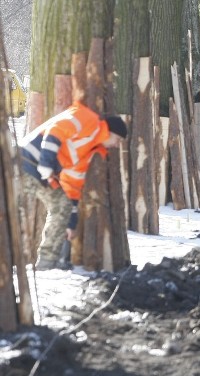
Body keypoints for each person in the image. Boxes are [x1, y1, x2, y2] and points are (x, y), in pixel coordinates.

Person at [19, 100, 128, 269]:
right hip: (25, 162)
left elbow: (72, 185)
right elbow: (55, 131)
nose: (117, 145)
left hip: (40, 172)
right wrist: (46, 164)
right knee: (15, 212)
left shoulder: (90, 149)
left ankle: (47, 263)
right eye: (118, 139)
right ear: (110, 131)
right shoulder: (87, 119)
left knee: (63, 205)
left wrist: (70, 222)